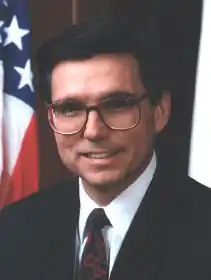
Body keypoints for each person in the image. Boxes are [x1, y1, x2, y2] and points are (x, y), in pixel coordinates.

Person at [0, 16, 211, 280]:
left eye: (117, 104)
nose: (93, 131)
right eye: (70, 108)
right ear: (52, 117)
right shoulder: (13, 230)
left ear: (160, 111)